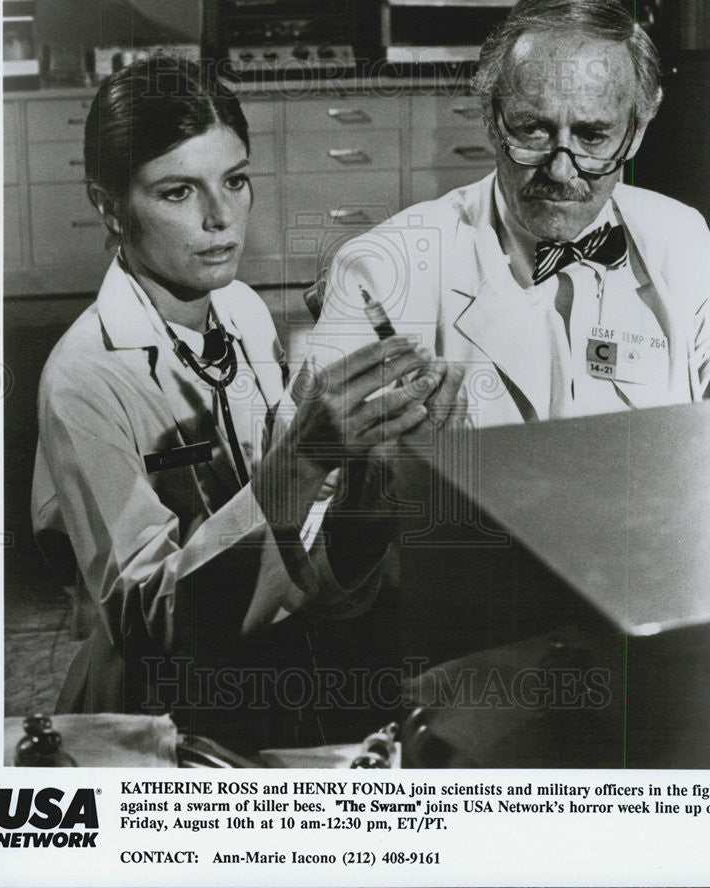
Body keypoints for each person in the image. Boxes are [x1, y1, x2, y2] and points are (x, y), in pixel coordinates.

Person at [30, 56, 460, 752]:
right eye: (177, 192)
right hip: (157, 717)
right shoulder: (82, 377)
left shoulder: (243, 312)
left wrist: (371, 477)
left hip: (271, 673)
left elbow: (294, 551)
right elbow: (152, 630)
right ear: (108, 204)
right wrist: (304, 459)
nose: (220, 218)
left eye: (234, 181)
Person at [307, 0, 710, 425]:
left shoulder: (681, 237)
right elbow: (310, 477)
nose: (562, 171)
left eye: (593, 136)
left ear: (635, 136)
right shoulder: (391, 264)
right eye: (534, 130)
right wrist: (414, 470)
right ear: (491, 120)